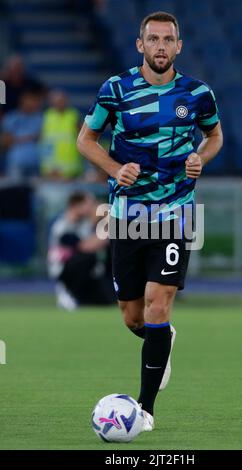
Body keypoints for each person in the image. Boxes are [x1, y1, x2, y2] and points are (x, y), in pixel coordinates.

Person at [77, 11, 223, 431]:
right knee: (132, 315)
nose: (161, 46)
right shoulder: (115, 90)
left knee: (159, 303)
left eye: (168, 39)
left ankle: (144, 413)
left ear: (179, 46)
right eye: (153, 39)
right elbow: (86, 140)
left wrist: (201, 158)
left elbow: (214, 137)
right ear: (139, 45)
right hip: (127, 215)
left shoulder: (198, 93)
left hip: (176, 212)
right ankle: (162, 338)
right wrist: (113, 168)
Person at [48, 191, 115, 310]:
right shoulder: (62, 226)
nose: (92, 208)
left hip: (87, 271)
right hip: (64, 270)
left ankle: (81, 297)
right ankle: (68, 293)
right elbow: (85, 247)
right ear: (76, 205)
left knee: (106, 300)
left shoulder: (85, 223)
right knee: (88, 256)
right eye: (88, 204)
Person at [40, 90, 83, 180]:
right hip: (50, 168)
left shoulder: (73, 115)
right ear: (51, 102)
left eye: (62, 101)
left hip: (70, 168)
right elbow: (44, 141)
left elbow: (82, 137)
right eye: (57, 101)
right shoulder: (47, 115)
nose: (59, 103)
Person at [0, 90, 43, 178]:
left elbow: (42, 137)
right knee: (15, 190)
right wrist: (31, 137)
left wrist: (17, 138)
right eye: (30, 100)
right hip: (16, 163)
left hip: (36, 162)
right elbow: (5, 141)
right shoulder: (11, 117)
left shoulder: (40, 118)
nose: (33, 103)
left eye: (34, 101)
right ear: (22, 101)